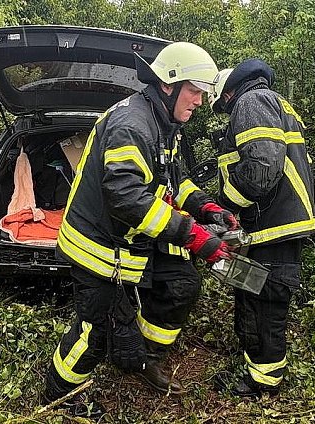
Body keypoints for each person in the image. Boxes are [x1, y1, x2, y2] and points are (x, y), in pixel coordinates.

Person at [44, 41, 236, 417]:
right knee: (93, 332)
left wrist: (206, 207)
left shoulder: (166, 124)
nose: (199, 101)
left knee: (181, 283)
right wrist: (194, 235)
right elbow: (126, 198)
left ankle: (143, 355)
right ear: (168, 84)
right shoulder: (132, 124)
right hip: (96, 247)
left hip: (131, 241)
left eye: (202, 93)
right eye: (195, 90)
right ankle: (60, 394)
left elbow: (173, 181)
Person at [208, 59, 315, 397]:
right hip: (270, 224)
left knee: (265, 304)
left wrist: (226, 205)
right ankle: (254, 364)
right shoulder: (271, 101)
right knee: (248, 294)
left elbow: (261, 169)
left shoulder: (251, 101)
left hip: (274, 226)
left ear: (226, 95)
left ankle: (263, 382)